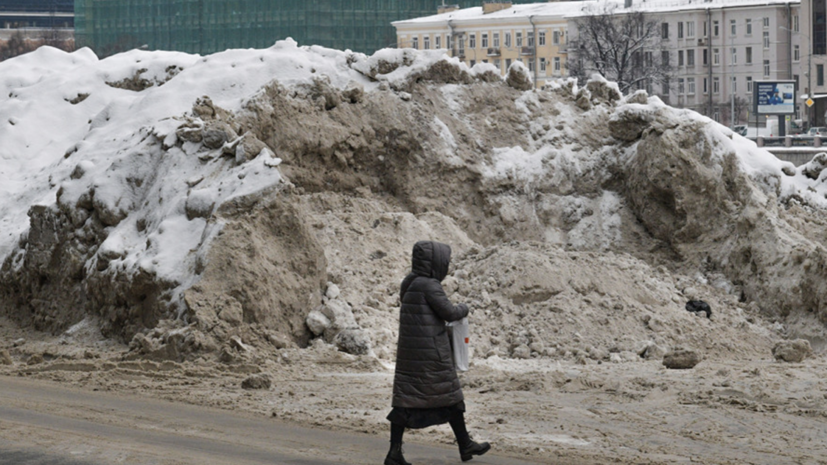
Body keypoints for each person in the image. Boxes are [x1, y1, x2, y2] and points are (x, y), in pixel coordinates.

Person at [384, 240, 491, 465]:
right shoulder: (430, 285)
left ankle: (395, 453)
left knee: (405, 402)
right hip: (431, 355)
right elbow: (450, 312)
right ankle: (465, 444)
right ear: (435, 263)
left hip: (411, 355)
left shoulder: (409, 283)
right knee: (451, 397)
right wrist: (465, 307)